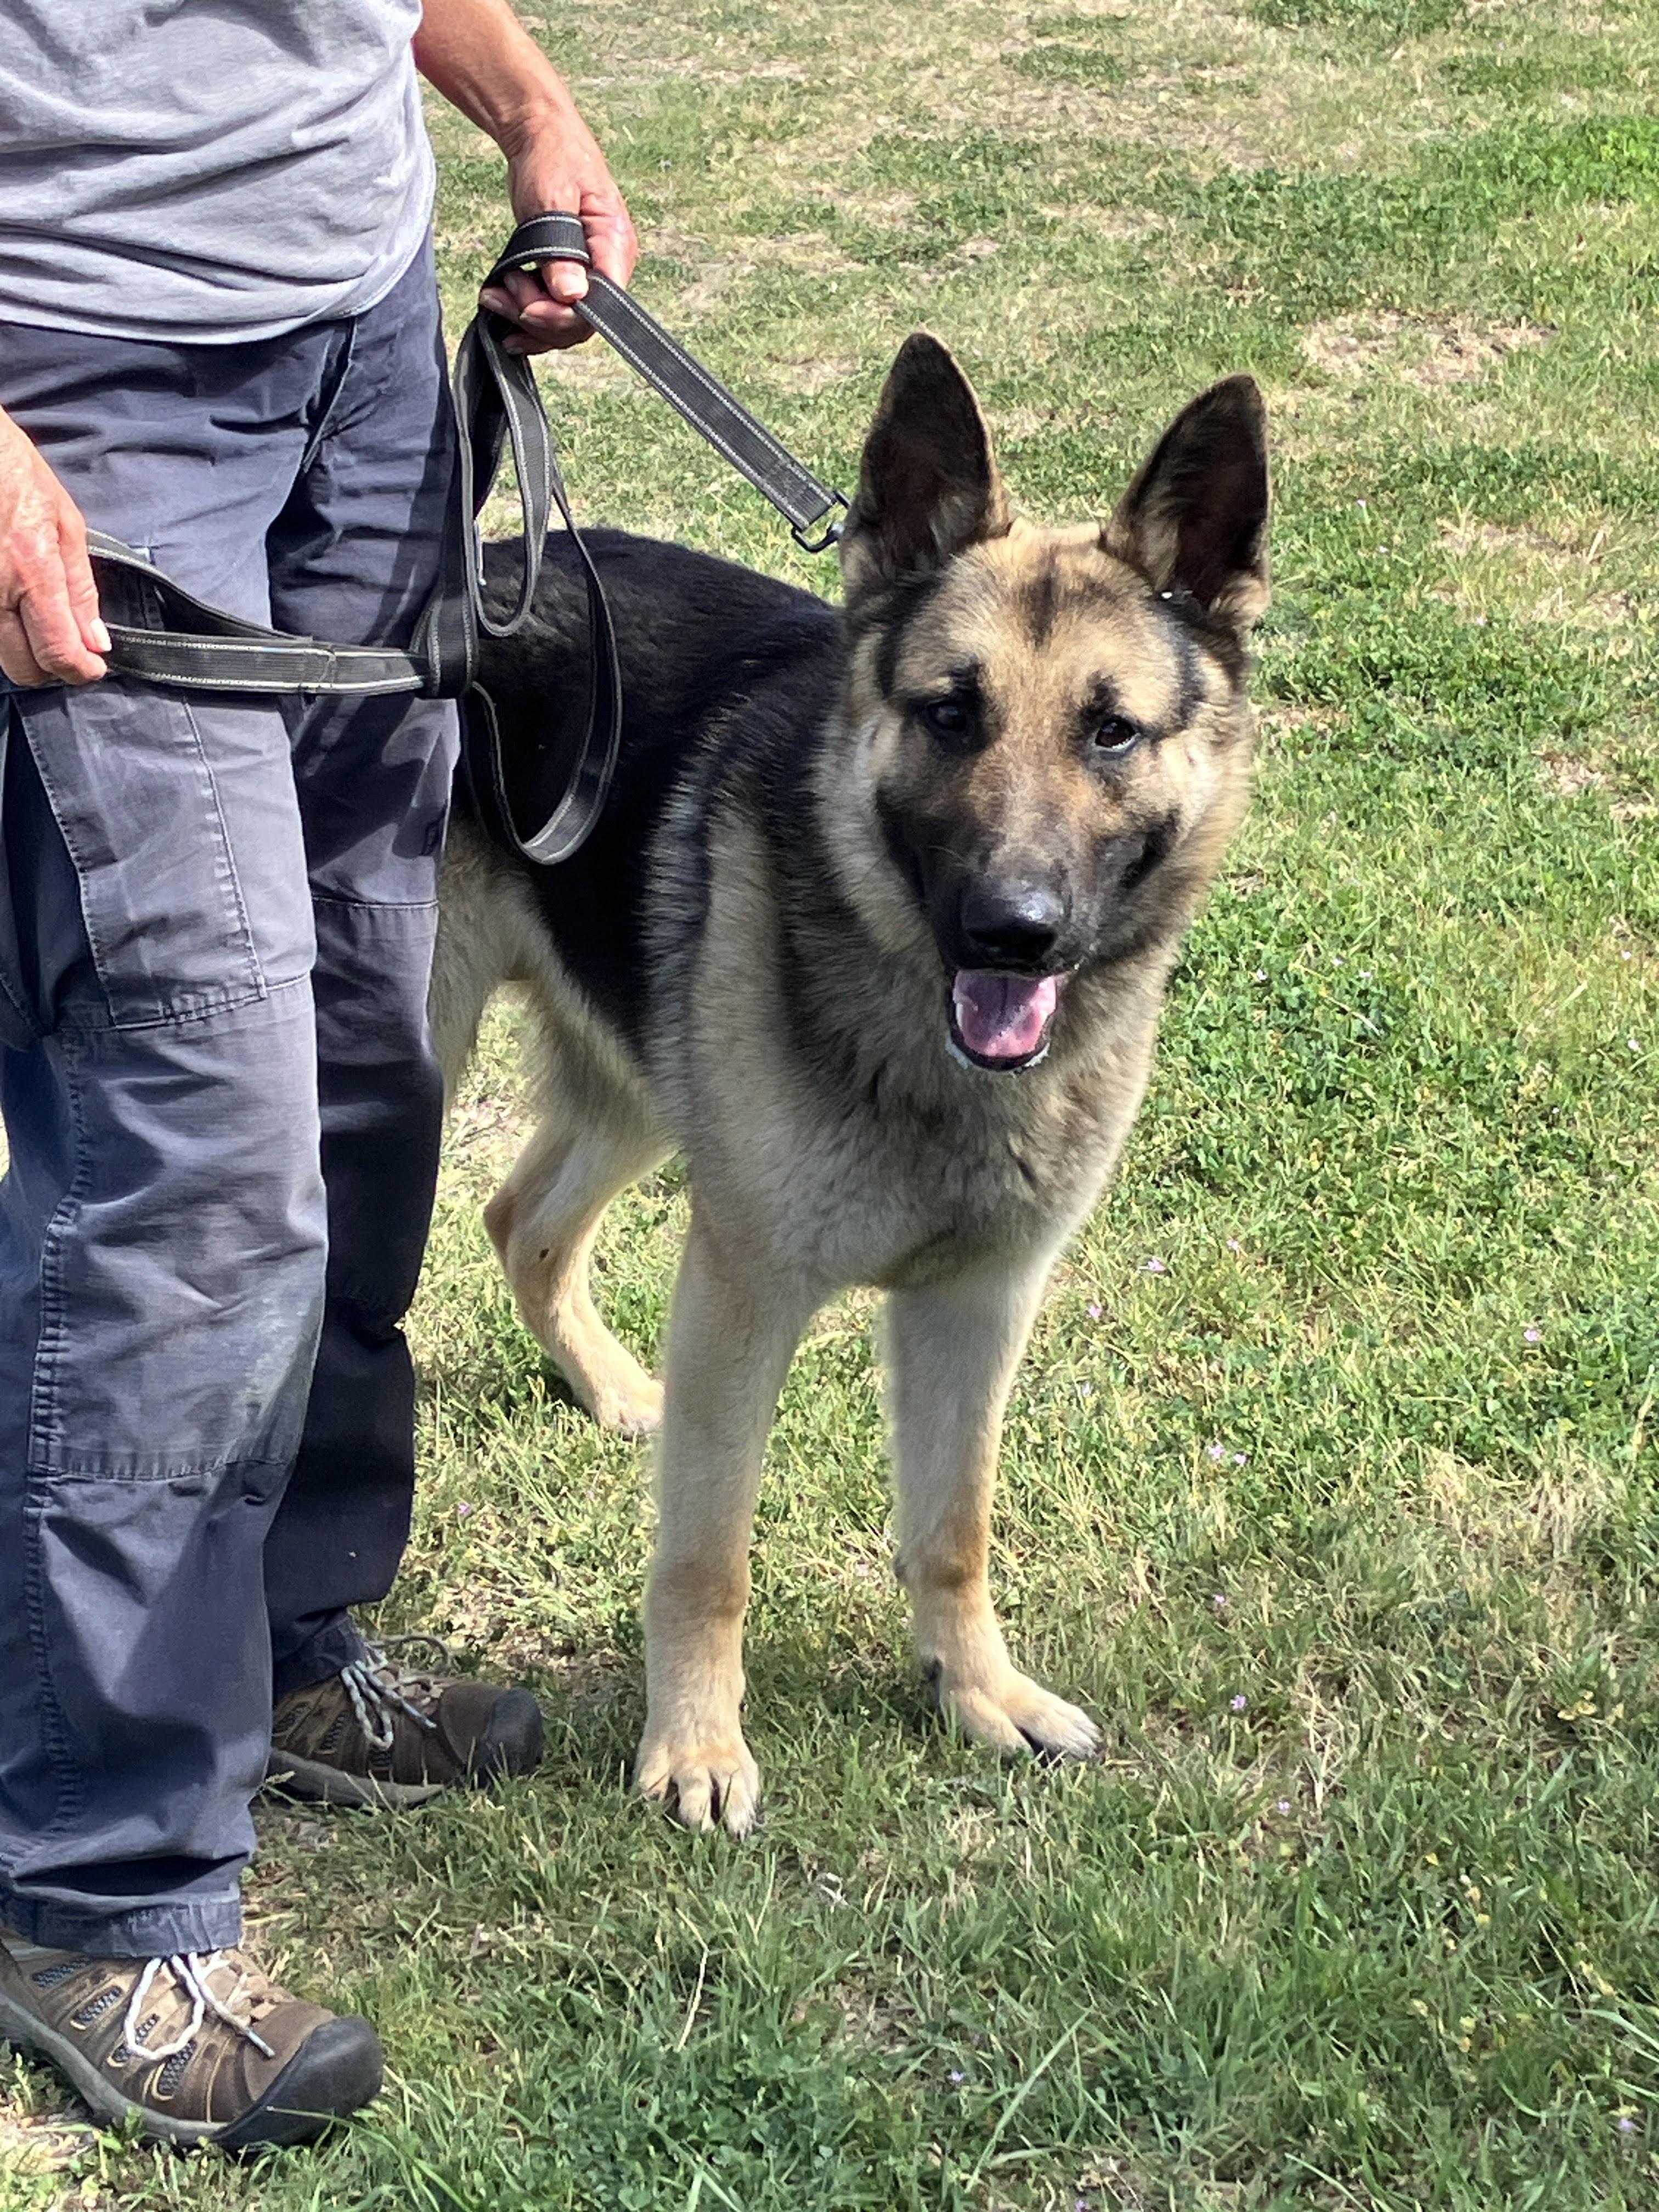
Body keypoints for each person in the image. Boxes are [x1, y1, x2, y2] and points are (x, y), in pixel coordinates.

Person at [0, 0, 635, 2149]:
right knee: (202, 1144)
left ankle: (282, 1638)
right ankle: (100, 1886)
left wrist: (511, 86)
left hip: (355, 331)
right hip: (65, 366)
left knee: (365, 1046)